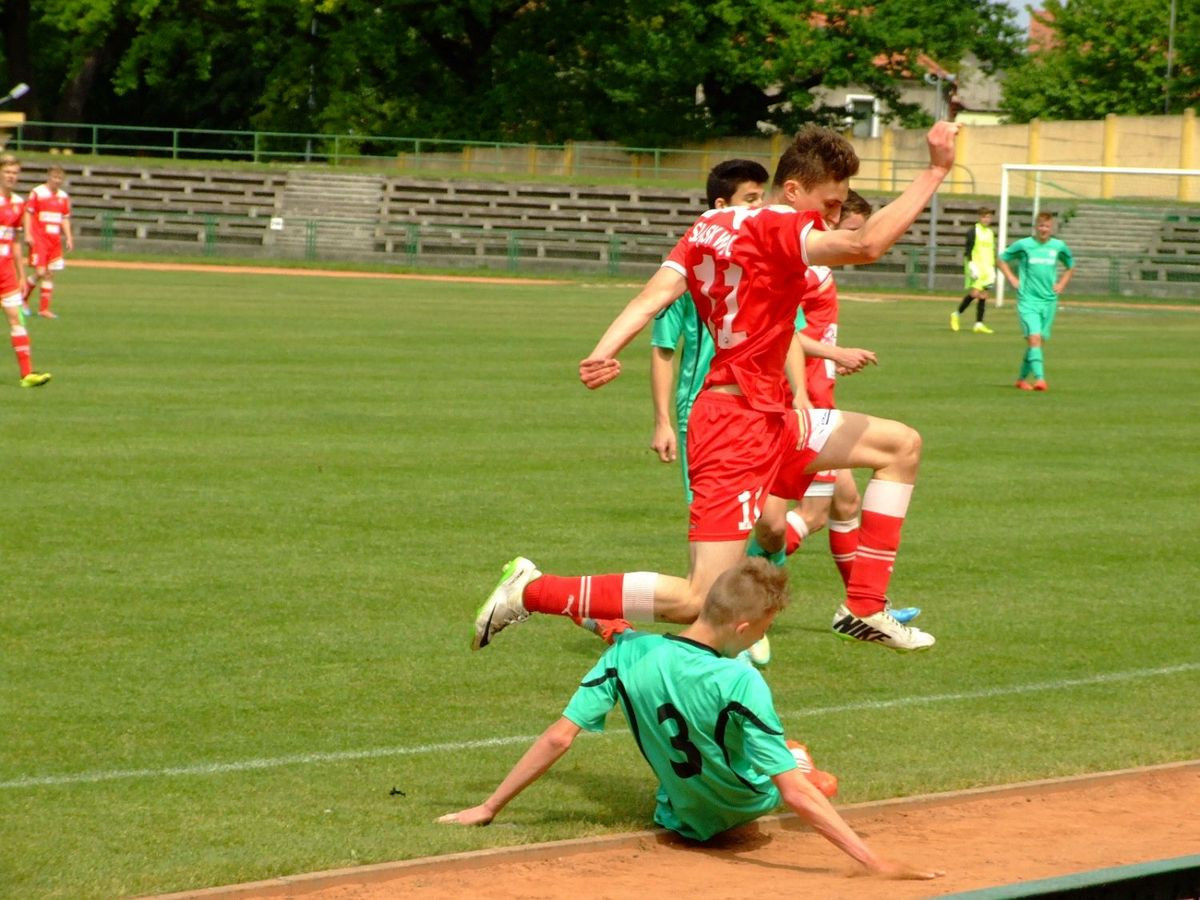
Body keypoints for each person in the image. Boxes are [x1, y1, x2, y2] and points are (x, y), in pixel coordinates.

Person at [473, 121, 959, 653]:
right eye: (829, 203)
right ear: (792, 191)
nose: (834, 219)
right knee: (696, 599)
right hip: (736, 425)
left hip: (774, 417)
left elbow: (650, 298)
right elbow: (867, 245)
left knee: (900, 445)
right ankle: (534, 590)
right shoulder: (774, 224)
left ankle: (864, 608)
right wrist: (935, 171)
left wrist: (603, 350)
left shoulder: (708, 226)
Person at [445, 559, 942, 882]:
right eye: (763, 630)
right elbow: (792, 795)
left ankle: (564, 603)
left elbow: (558, 738)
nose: (758, 640)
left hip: (681, 818)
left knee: (624, 640)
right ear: (743, 624)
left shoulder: (628, 657)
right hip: (745, 803)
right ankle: (806, 759)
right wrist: (872, 861)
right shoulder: (743, 678)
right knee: (796, 759)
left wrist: (488, 807)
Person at [997, 211, 1075, 392]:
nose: (1043, 229)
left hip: (1049, 301)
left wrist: (1062, 283)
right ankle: (1040, 380)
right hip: (1028, 300)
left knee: (1037, 342)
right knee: (1034, 338)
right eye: (1040, 226)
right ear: (1035, 226)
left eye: (1047, 226)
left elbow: (1071, 266)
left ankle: (1021, 379)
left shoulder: (1058, 246)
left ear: (1052, 227)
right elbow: (1001, 259)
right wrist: (1011, 278)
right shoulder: (1024, 245)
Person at [0, 155, 51, 388]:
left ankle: (27, 374)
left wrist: (21, 274)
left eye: (15, 172)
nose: (11, 176)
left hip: (6, 272)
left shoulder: (18, 204)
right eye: (8, 171)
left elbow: (16, 241)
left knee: (16, 320)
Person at [22, 164, 73, 319]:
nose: (57, 181)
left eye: (60, 178)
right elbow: (28, 213)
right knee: (40, 272)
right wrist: (27, 233)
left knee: (49, 274)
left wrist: (69, 237)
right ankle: (22, 299)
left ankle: (44, 309)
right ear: (48, 177)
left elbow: (64, 218)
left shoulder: (63, 197)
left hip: (54, 240)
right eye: (54, 177)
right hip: (39, 238)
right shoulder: (38, 192)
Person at [951, 206, 996, 334]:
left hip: (988, 268)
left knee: (984, 296)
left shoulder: (990, 233)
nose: (986, 219)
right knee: (974, 293)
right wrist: (971, 264)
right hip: (976, 266)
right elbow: (968, 249)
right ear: (979, 217)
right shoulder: (973, 231)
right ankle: (956, 314)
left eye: (988, 217)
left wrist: (992, 268)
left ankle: (979, 324)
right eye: (984, 217)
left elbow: (991, 250)